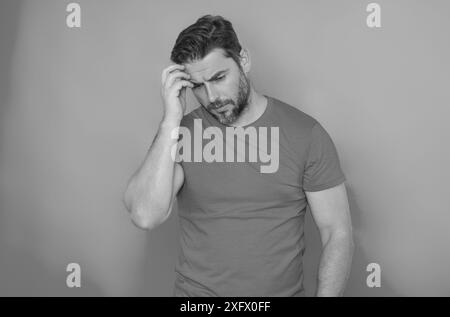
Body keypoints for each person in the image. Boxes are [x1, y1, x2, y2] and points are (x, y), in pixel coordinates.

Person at [123, 15, 354, 297]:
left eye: (219, 78)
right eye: (197, 86)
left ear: (243, 60)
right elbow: (145, 215)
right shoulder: (180, 134)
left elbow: (337, 233)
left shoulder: (306, 134)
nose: (211, 97)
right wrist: (171, 120)